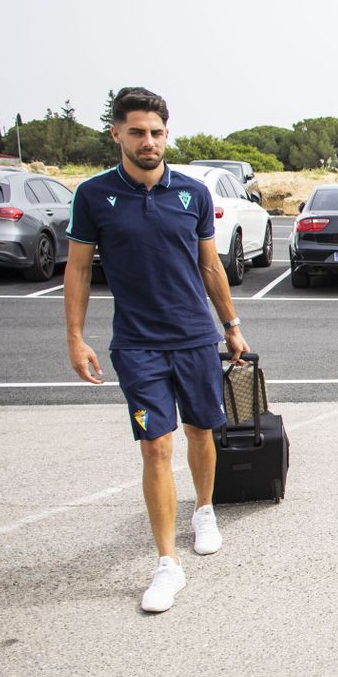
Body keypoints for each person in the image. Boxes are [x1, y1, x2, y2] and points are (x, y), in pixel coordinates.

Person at [63, 87, 249, 613]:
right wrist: (76, 339)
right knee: (155, 445)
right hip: (137, 344)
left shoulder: (191, 193)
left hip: (194, 336)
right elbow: (77, 270)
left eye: (157, 133)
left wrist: (231, 325)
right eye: (138, 132)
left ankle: (205, 509)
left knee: (201, 430)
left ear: (167, 134)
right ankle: (167, 563)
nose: (149, 142)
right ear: (117, 133)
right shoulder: (94, 196)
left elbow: (211, 266)